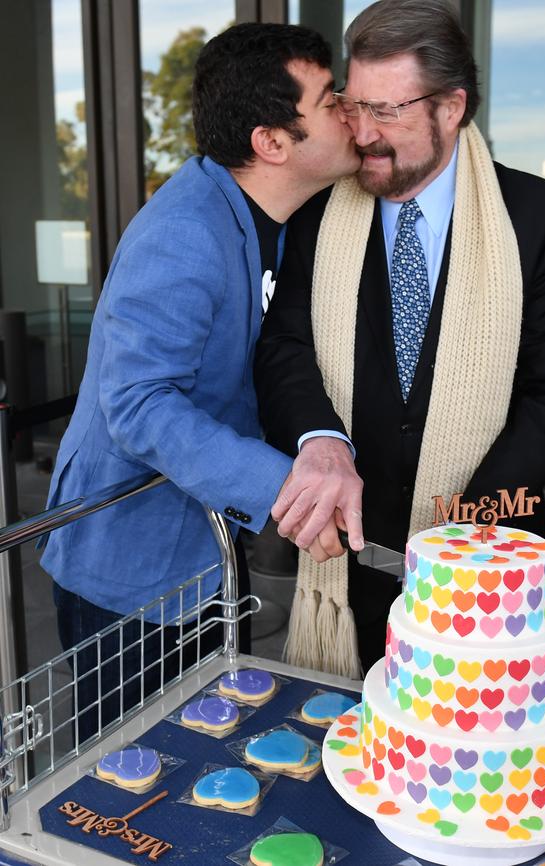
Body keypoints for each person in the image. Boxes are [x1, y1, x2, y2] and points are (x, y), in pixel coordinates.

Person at [39, 22, 360, 739]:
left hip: (199, 560)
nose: (349, 109)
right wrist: (288, 489)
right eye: (329, 98)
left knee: (204, 751)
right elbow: (138, 403)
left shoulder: (281, 216)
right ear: (272, 141)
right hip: (129, 573)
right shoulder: (184, 230)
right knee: (132, 783)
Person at [255, 0, 545, 676]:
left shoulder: (538, 215)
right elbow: (283, 348)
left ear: (451, 107)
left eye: (390, 111)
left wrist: (459, 538)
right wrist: (319, 441)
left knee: (465, 762)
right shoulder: (318, 209)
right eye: (355, 106)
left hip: (485, 567)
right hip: (345, 561)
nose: (365, 134)